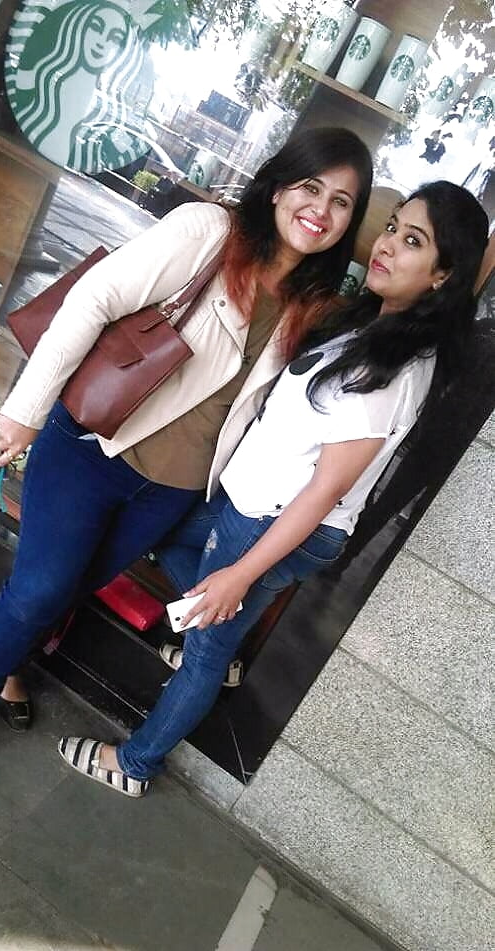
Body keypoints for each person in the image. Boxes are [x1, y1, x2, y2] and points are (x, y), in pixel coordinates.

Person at [57, 180, 488, 797]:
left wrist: (240, 575)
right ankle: (220, 644)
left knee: (203, 646)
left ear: (443, 276)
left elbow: (323, 492)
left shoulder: (392, 371)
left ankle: (135, 764)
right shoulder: (373, 325)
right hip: (252, 506)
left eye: (413, 241)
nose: (388, 245)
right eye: (393, 227)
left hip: (273, 520)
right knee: (169, 540)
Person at [0, 127, 373, 747]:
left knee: (64, 589)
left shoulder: (309, 305)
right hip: (92, 448)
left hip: (170, 492)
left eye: (341, 202)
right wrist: (26, 408)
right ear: (277, 186)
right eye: (310, 187)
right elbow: (94, 298)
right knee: (38, 590)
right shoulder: (209, 233)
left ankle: (8, 666)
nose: (320, 209)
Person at [5, 0, 155, 172]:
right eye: (96, 27)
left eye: (114, 37)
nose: (102, 42)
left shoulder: (87, 91)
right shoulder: (38, 76)